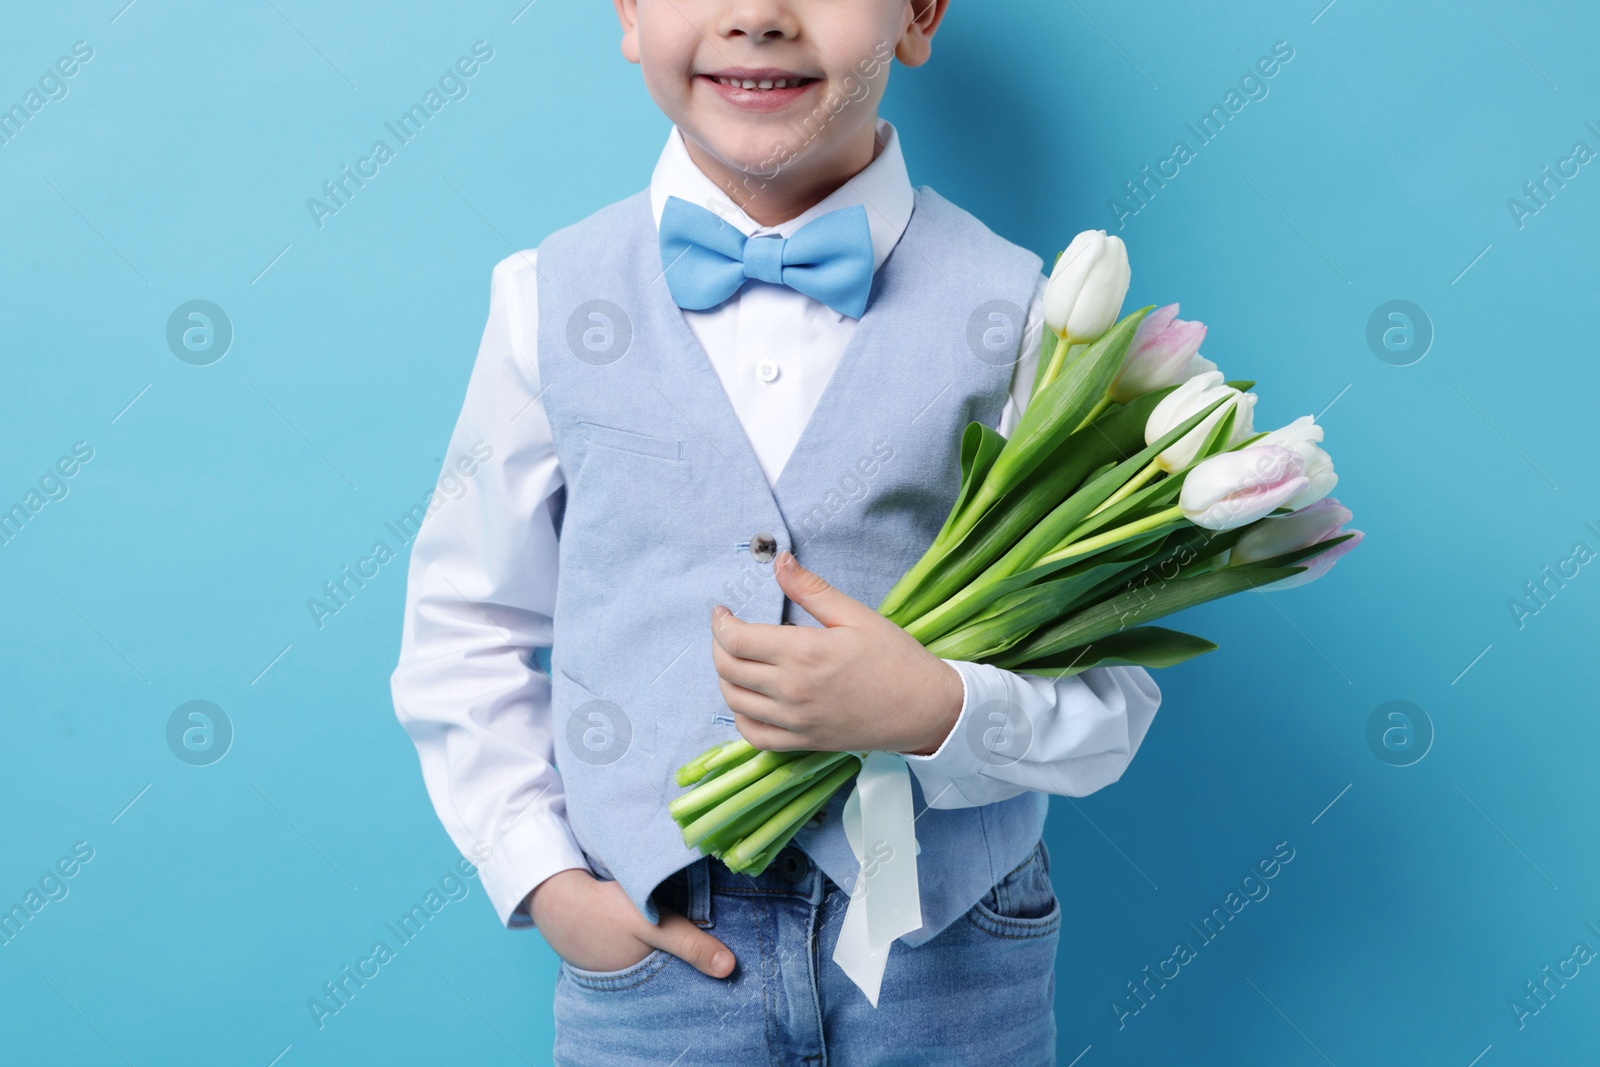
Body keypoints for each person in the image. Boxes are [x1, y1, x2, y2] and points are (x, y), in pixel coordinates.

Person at [390, 1, 1161, 1061]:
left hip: (951, 959)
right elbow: (461, 629)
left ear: (920, 14)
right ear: (627, 12)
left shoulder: (1029, 315)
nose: (756, 13)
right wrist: (545, 877)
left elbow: (1115, 700)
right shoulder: (544, 301)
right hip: (654, 956)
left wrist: (937, 707)